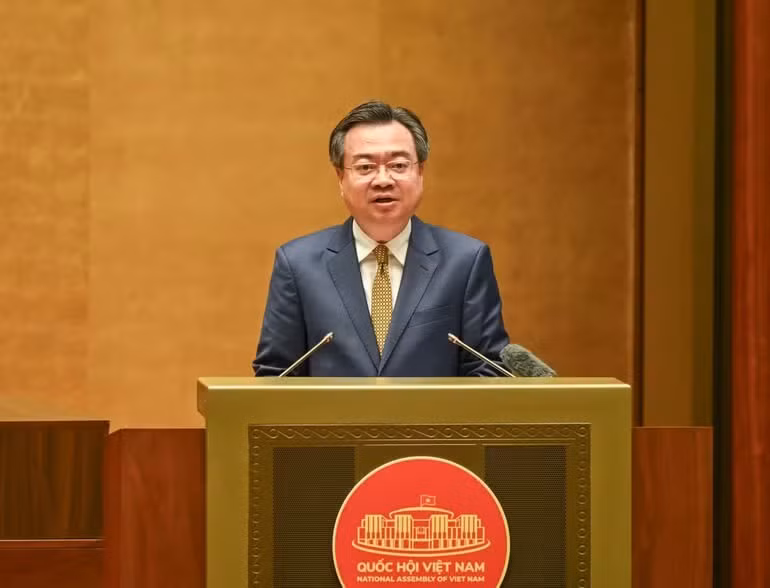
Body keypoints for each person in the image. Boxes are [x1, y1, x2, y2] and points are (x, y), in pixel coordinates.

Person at [252, 100, 509, 376]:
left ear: (420, 172)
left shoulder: (465, 261)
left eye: (398, 165)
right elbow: (276, 375)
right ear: (340, 178)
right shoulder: (297, 264)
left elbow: (488, 370)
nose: (383, 180)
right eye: (365, 167)